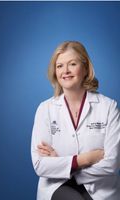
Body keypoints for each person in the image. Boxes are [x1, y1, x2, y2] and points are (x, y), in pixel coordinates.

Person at [31, 41, 120, 200]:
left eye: (72, 64)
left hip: (100, 189)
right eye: (59, 66)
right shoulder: (45, 109)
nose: (65, 71)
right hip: (57, 187)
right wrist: (86, 159)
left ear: (85, 68)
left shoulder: (109, 107)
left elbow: (112, 163)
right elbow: (40, 165)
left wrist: (63, 165)